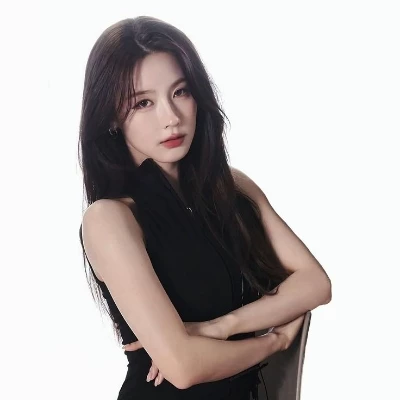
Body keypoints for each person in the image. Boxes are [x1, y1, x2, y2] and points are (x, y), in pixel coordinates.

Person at [78, 16, 332, 400]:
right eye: (143, 102)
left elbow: (315, 283)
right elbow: (184, 367)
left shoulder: (233, 188)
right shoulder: (110, 218)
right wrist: (274, 341)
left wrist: (221, 327)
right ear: (112, 117)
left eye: (180, 92)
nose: (171, 118)